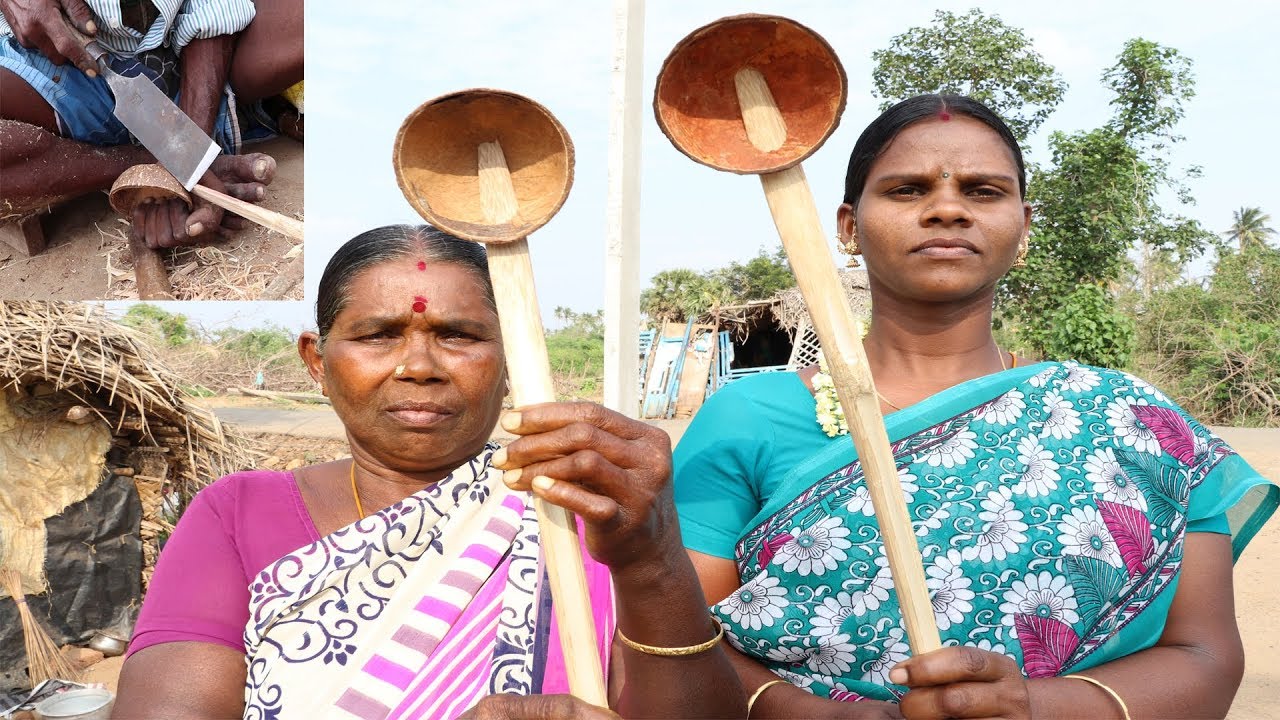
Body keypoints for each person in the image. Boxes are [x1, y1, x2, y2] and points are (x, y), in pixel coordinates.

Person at [673, 94, 1279, 719]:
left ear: (1024, 225)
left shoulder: (1130, 423)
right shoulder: (747, 417)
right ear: (849, 227)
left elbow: (1204, 656)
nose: (947, 209)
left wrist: (1033, 708)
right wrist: (835, 716)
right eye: (907, 190)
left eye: (983, 191)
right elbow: (673, 648)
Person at [112, 225, 744, 719]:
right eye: (379, 335)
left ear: (511, 358)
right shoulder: (238, 514)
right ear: (317, 361)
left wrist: (651, 560)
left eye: (459, 335)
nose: (419, 366)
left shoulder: (582, 513)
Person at [0, 0, 302, 249]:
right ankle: (140, 162)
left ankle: (191, 143)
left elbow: (214, 11)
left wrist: (187, 144)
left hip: (193, 50)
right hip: (50, 72)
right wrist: (166, 167)